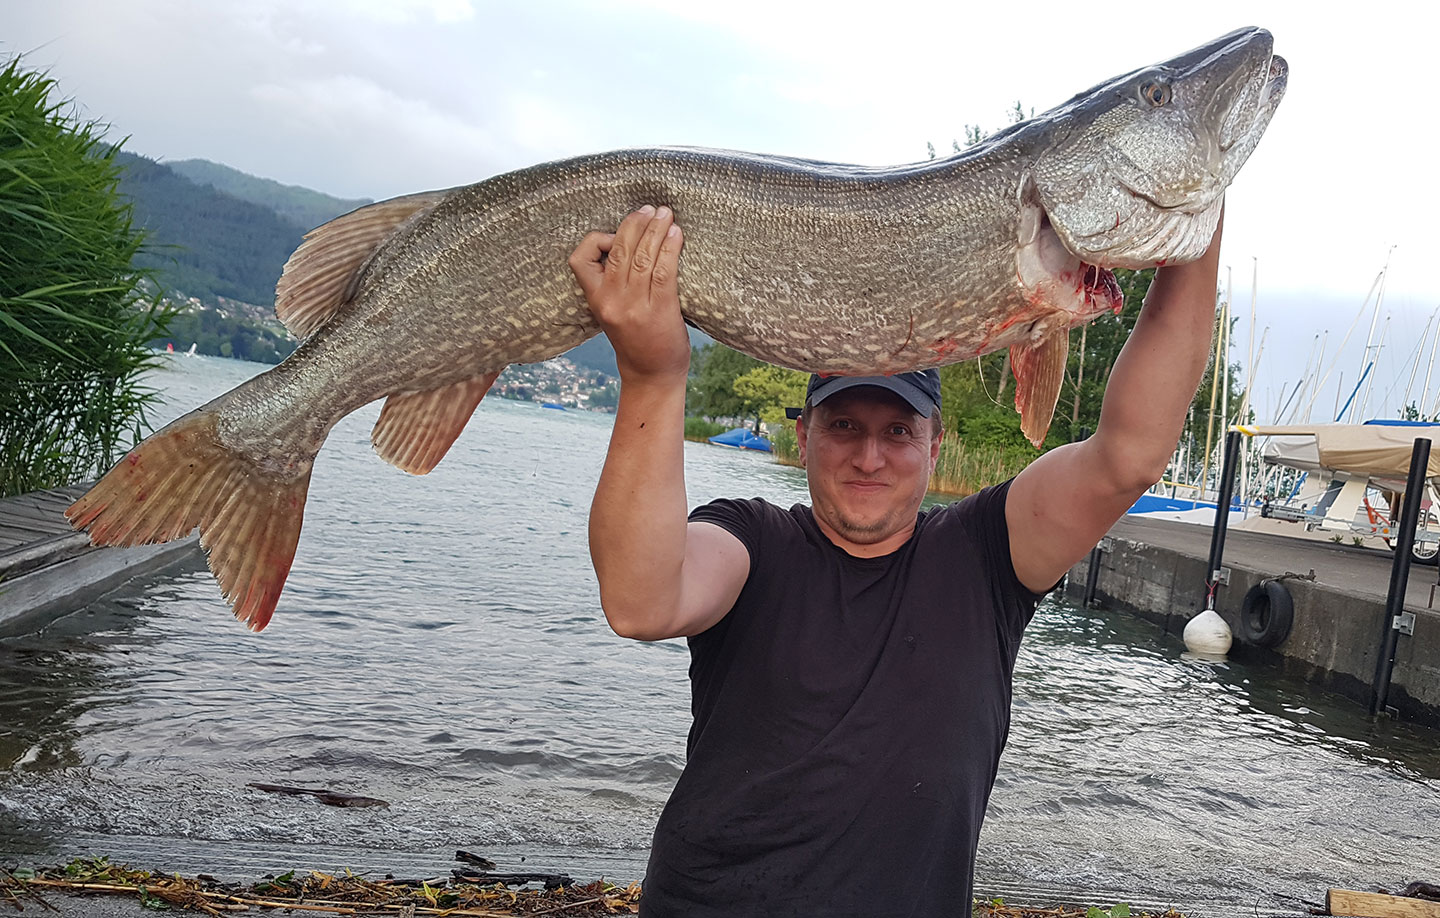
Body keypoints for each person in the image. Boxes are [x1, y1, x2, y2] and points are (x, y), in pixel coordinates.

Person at [569, 203, 1222, 917]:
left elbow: (1130, 454)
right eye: (845, 425)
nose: (870, 456)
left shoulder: (987, 555)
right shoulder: (752, 538)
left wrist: (1198, 209)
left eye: (898, 431)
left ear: (935, 444)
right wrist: (654, 377)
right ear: (805, 436)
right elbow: (640, 600)